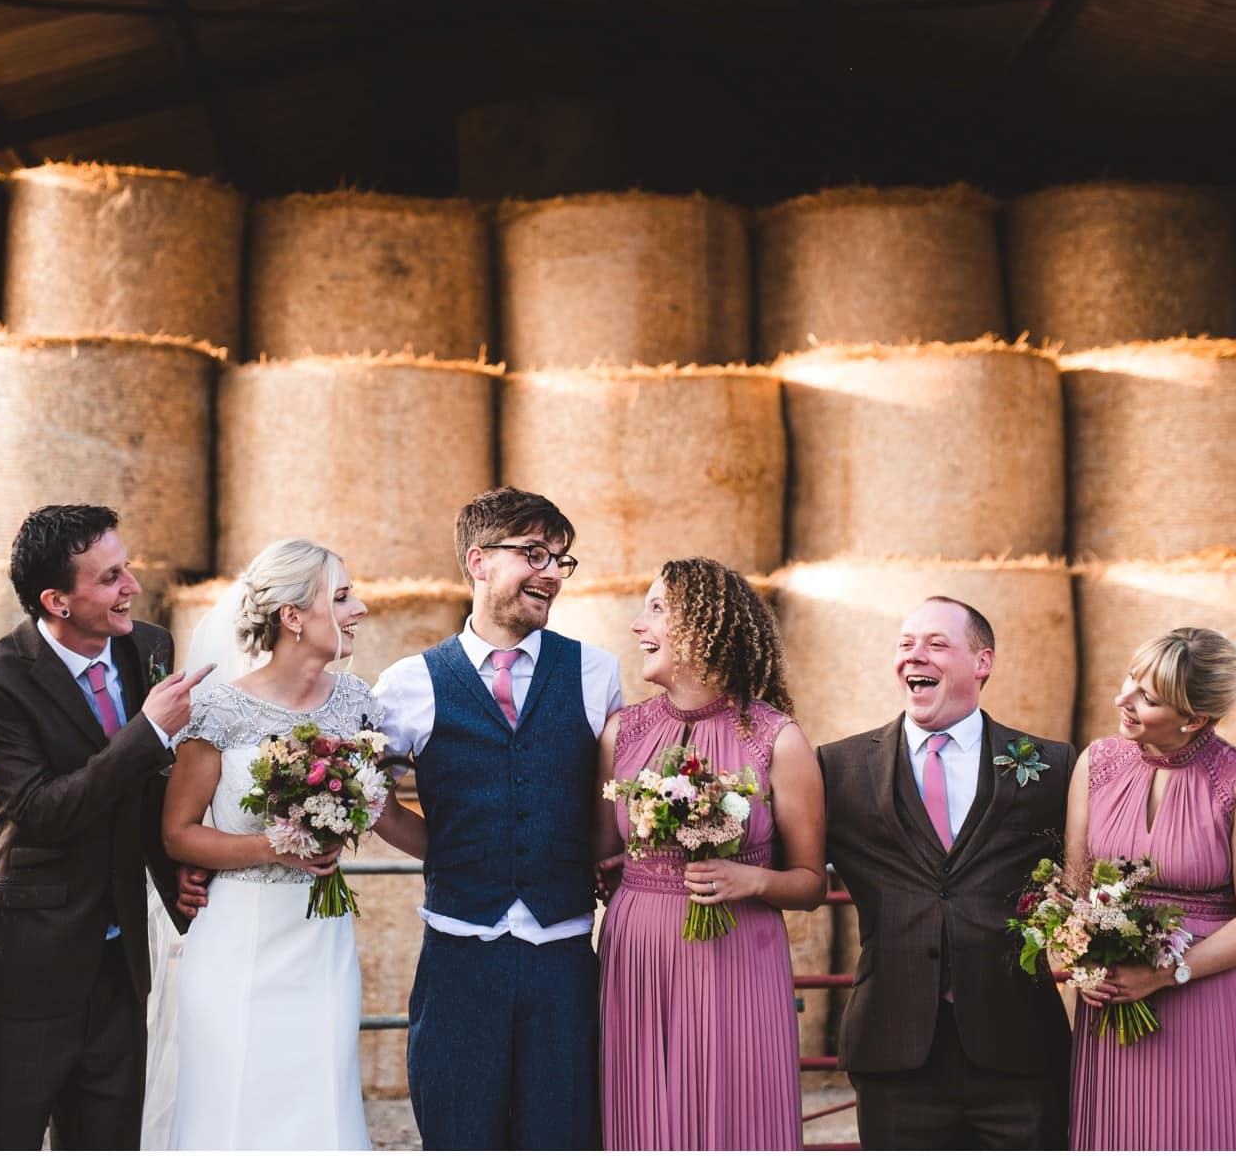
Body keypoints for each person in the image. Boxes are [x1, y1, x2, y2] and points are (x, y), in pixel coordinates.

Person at [372, 486, 625, 1149]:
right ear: (479, 561)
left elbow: (613, 799)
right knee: (459, 1133)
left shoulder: (597, 674)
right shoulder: (409, 683)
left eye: (562, 561)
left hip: (565, 955)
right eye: (535, 553)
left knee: (564, 1136)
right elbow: (368, 796)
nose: (551, 573)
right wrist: (443, 852)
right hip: (458, 958)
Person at [0, 505, 210, 1150]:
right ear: (57, 601)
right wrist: (148, 731)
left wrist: (174, 865)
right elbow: (42, 811)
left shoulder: (150, 647)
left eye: (126, 569)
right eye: (110, 578)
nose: (131, 588)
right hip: (29, 962)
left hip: (121, 960)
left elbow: (146, 791)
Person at [817, 596, 1075, 1149]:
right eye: (906, 644)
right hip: (894, 1049)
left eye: (937, 644)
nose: (917, 655)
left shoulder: (1053, 766)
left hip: (1018, 1047)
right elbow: (782, 859)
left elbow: (1101, 862)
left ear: (983, 662)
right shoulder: (837, 767)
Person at [595, 558, 825, 1149]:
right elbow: (600, 855)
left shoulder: (780, 739)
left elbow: (809, 882)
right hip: (638, 958)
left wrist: (750, 881)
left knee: (735, 1118)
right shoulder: (620, 734)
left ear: (702, 626)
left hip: (736, 959)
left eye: (655, 609)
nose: (635, 624)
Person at [157, 538, 378, 1149]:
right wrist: (275, 850)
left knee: (322, 1096)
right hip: (237, 936)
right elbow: (178, 834)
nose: (358, 608)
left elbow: (382, 806)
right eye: (341, 596)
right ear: (293, 617)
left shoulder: (359, 705)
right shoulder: (220, 710)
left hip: (320, 936)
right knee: (232, 1102)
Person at [1066, 627, 1236, 1150]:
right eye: (1131, 680)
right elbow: (1073, 887)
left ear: (1195, 718)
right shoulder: (1095, 764)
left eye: (1149, 697)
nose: (1124, 699)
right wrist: (1080, 964)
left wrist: (1161, 976)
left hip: (1208, 1003)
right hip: (1112, 1007)